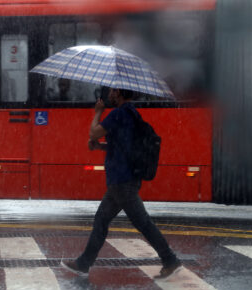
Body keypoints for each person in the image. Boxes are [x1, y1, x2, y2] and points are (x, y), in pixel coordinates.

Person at [61, 88, 182, 279]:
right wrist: (101, 146)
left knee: (143, 223)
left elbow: (93, 132)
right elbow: (123, 146)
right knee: (102, 219)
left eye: (112, 91)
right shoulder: (131, 113)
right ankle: (83, 263)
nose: (109, 94)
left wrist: (98, 112)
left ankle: (170, 259)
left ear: (118, 93)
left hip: (121, 181)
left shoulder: (118, 113)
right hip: (125, 179)